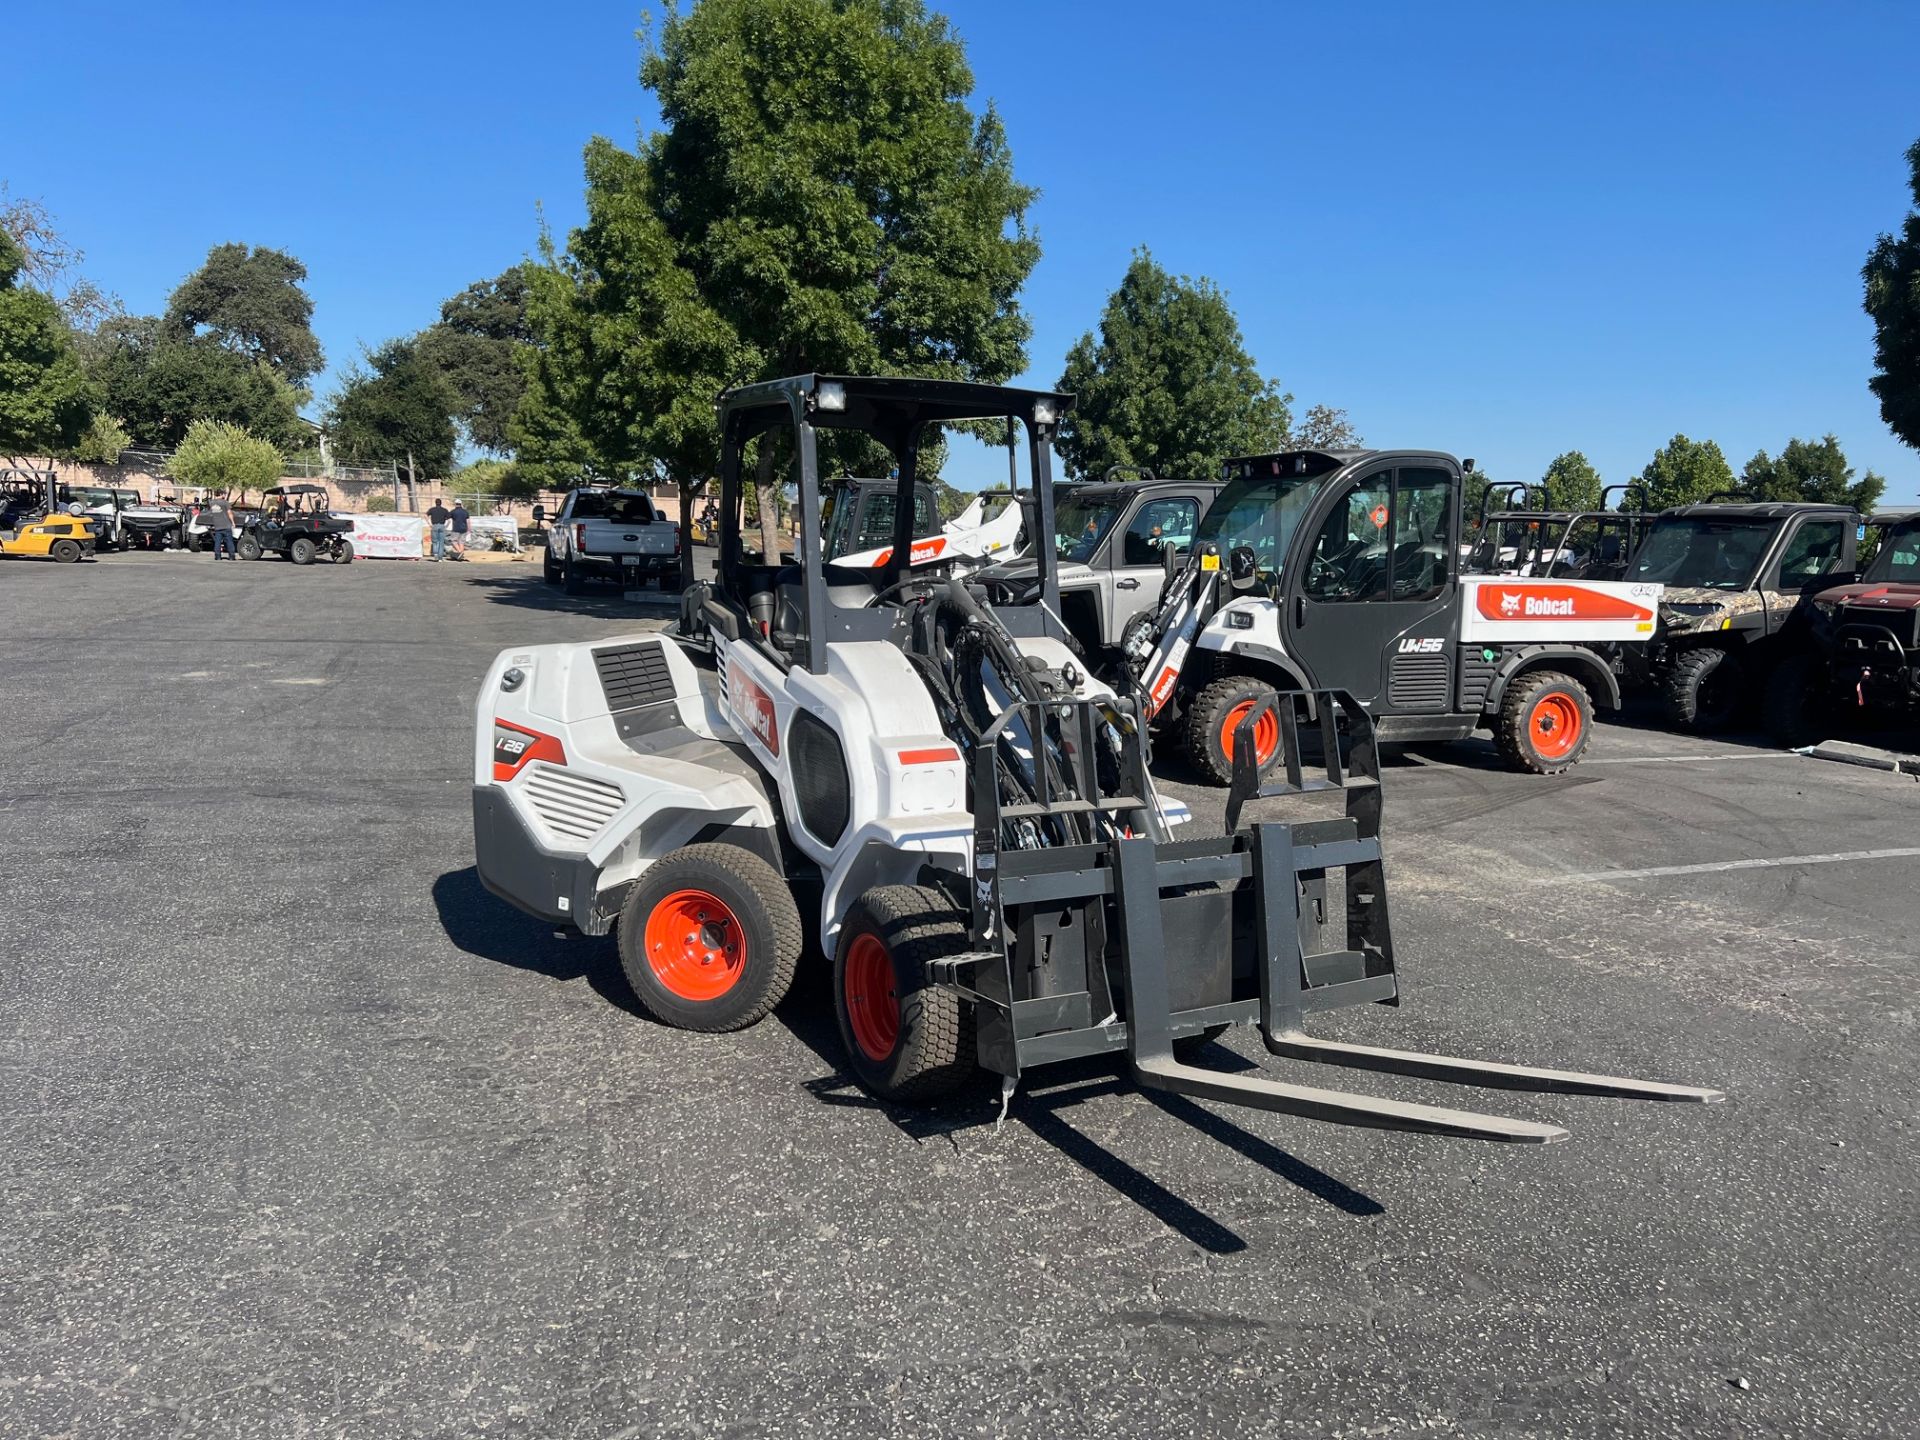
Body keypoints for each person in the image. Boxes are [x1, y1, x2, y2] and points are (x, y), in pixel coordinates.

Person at [205, 492, 237, 560]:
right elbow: (229, 513)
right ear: (221, 494)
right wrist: (233, 522)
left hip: (217, 525)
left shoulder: (211, 503)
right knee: (229, 541)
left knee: (217, 542)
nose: (225, 495)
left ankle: (217, 556)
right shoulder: (225, 502)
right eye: (224, 494)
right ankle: (231, 556)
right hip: (226, 525)